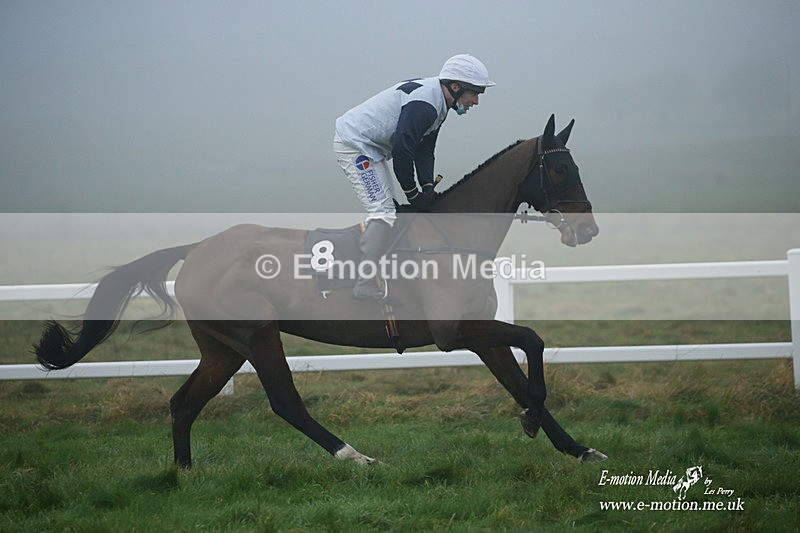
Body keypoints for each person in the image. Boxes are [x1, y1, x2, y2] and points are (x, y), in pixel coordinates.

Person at [334, 54, 495, 299]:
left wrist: (427, 187)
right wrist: (413, 193)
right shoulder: (426, 106)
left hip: (373, 148)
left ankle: (382, 266)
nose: (476, 101)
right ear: (455, 86)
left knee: (393, 210)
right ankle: (363, 281)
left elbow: (425, 150)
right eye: (475, 93)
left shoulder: (440, 103)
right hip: (355, 145)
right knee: (384, 212)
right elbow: (402, 152)